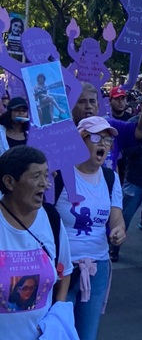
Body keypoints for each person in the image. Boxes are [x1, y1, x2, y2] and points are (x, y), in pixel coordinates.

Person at [53, 116, 125, 340]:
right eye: (96, 137)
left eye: (107, 140)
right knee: (59, 332)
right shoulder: (59, 175)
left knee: (87, 335)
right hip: (61, 268)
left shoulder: (111, 178)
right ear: (79, 140)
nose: (103, 143)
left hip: (97, 267)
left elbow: (117, 219)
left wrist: (118, 231)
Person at [0, 145, 73, 339]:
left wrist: (57, 316)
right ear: (9, 182)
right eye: (36, 176)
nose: (46, 184)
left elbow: (64, 272)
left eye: (46, 175)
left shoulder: (51, 219)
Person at [110, 95, 142, 262]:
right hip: (135, 179)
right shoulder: (134, 124)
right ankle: (114, 248)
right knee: (124, 215)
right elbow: (127, 153)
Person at [71, 81, 142, 171]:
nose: (88, 106)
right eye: (82, 102)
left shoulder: (111, 127)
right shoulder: (62, 134)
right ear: (72, 105)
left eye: (92, 101)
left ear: (98, 106)